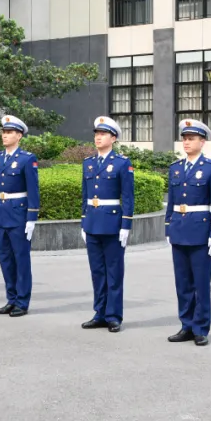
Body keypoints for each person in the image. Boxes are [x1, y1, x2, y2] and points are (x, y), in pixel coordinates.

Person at [164, 119, 211, 347]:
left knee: (201, 283)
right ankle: (186, 325)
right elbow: (171, 201)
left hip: (200, 230)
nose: (187, 142)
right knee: (182, 283)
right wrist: (168, 226)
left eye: (191, 139)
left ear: (202, 141)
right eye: (185, 139)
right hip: (179, 228)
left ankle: (200, 328)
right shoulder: (176, 168)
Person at [80, 116, 135, 332]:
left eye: (103, 134)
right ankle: (99, 313)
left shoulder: (122, 163)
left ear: (113, 138)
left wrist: (126, 225)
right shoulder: (88, 163)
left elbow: (128, 196)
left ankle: (113, 315)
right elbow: (84, 195)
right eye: (96, 134)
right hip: (92, 223)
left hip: (112, 223)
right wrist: (83, 221)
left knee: (114, 272)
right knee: (97, 272)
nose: (98, 137)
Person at [0, 115, 40, 317]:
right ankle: (11, 299)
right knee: (5, 259)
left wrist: (31, 218)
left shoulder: (27, 159)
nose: (5, 135)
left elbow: (33, 191)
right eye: (4, 132)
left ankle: (22, 301)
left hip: (19, 215)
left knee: (21, 259)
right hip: (2, 213)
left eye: (9, 132)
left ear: (19, 136)